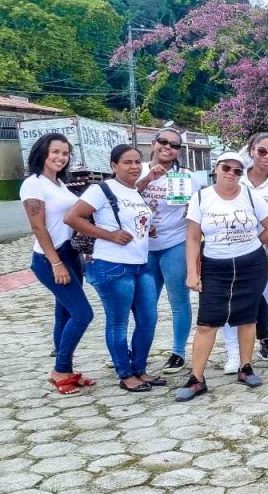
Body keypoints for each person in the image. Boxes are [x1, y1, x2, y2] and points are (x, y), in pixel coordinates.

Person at [175, 152, 268, 401]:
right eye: (226, 168)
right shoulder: (201, 197)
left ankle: (245, 368)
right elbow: (192, 238)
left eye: (237, 171)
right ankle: (197, 378)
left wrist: (254, 243)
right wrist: (192, 272)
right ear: (216, 168)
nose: (231, 174)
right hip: (215, 265)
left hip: (250, 265)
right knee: (207, 322)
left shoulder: (250, 195)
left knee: (247, 318)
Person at [65, 144, 160, 392]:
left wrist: (146, 229)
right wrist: (110, 235)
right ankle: (125, 373)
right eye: (127, 162)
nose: (134, 166)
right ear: (113, 166)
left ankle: (140, 368)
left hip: (140, 264)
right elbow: (72, 218)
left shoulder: (134, 192)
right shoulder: (101, 189)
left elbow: (135, 222)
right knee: (118, 322)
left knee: (148, 319)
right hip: (112, 265)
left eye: (138, 161)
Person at [21, 133, 94, 395]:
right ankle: (60, 370)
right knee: (83, 313)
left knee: (64, 313)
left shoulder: (60, 185)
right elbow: (38, 228)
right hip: (49, 258)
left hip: (71, 254)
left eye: (65, 153)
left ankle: (66, 370)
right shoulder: (34, 184)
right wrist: (56, 263)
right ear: (43, 152)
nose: (61, 157)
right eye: (56, 152)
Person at [221, 133, 268, 373]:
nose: (266, 157)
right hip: (231, 251)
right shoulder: (237, 177)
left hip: (262, 251)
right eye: (261, 151)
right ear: (251, 150)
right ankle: (234, 354)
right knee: (231, 302)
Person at [136, 128, 199, 374]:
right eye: (163, 142)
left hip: (173, 243)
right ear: (153, 143)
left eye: (174, 145)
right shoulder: (136, 168)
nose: (168, 147)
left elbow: (194, 212)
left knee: (178, 300)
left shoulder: (184, 176)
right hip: (142, 247)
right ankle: (138, 348)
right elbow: (122, 199)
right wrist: (147, 179)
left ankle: (178, 351)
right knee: (144, 302)